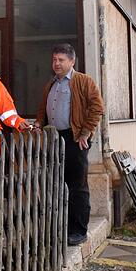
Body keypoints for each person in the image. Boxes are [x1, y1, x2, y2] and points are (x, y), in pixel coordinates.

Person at [34, 43, 104, 246]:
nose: (56, 63)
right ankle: (64, 227)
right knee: (58, 184)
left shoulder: (83, 81)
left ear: (71, 61)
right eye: (54, 59)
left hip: (74, 140)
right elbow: (42, 109)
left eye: (61, 60)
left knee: (77, 186)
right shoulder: (51, 84)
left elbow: (97, 107)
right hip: (54, 139)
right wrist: (39, 123)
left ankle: (79, 230)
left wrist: (85, 132)